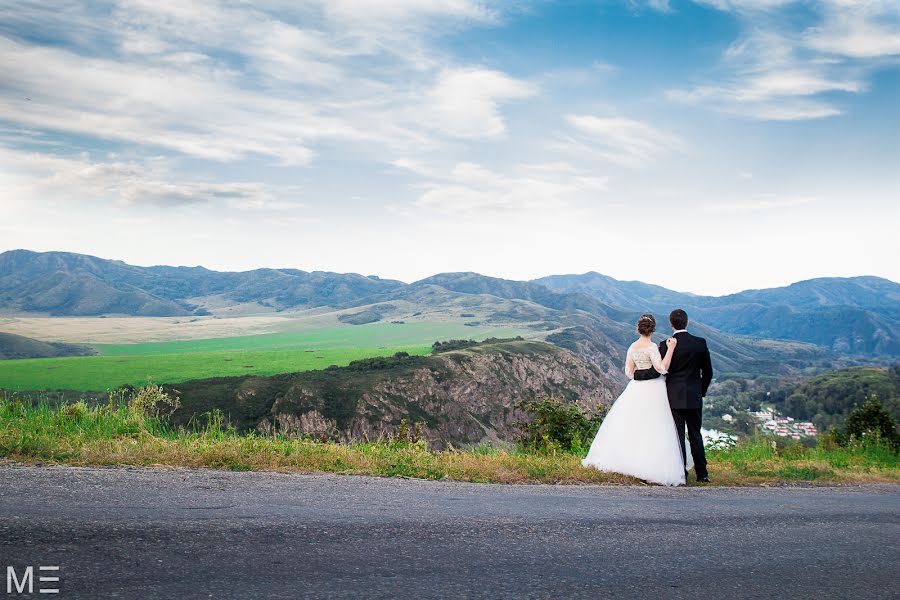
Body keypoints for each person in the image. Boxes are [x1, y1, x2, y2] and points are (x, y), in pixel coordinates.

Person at [581, 314, 689, 486]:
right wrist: (670, 349)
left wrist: (641, 374)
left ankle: (627, 460)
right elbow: (662, 368)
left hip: (636, 388)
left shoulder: (632, 347)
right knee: (655, 426)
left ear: (638, 329)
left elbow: (629, 373)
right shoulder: (652, 347)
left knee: (632, 424)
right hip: (654, 388)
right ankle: (650, 464)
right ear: (652, 329)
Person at [659, 309, 713, 483]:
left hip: (674, 397)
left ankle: (682, 472)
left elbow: (663, 371)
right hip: (694, 396)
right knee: (696, 434)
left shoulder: (664, 345)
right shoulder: (700, 343)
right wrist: (701, 391)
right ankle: (702, 474)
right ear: (687, 322)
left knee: (678, 436)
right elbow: (708, 372)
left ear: (671, 323)